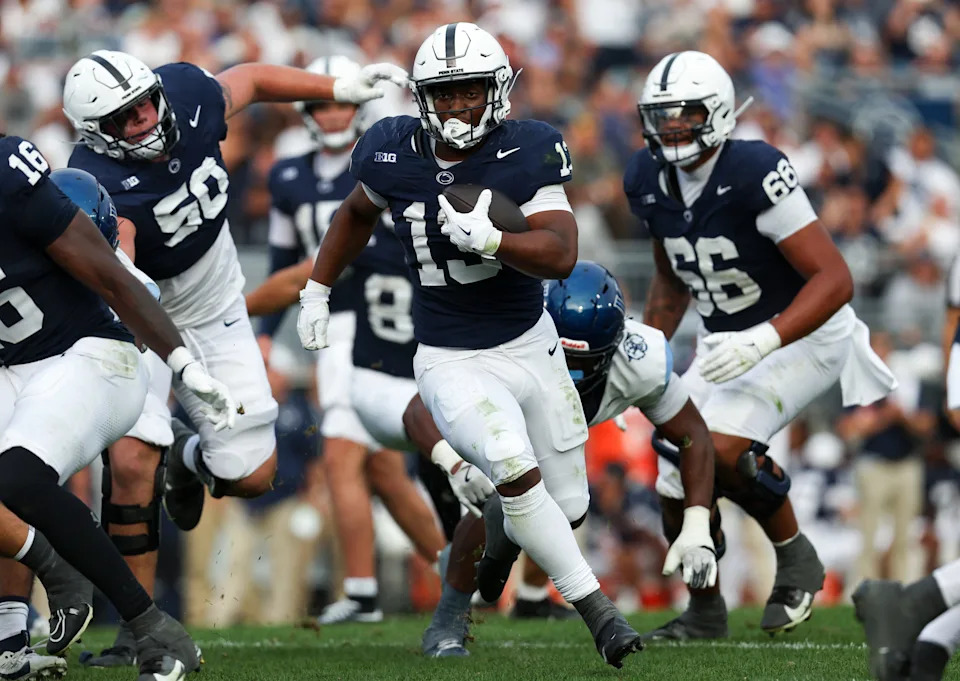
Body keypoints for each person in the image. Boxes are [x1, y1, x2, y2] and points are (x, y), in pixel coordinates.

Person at [298, 22, 647, 668]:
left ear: (498, 91)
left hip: (530, 345)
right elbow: (354, 213)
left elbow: (561, 251)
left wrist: (495, 242)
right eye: (447, 93)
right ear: (426, 97)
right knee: (512, 467)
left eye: (471, 91)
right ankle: (600, 613)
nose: (459, 105)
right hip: (450, 356)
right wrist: (317, 288)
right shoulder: (391, 150)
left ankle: (458, 602)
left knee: (557, 502)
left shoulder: (528, 148)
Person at [62, 49, 406, 662]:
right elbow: (124, 276)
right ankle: (138, 629)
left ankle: (189, 459)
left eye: (144, 103)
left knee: (253, 475)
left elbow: (249, 79)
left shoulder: (187, 93)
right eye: (123, 117)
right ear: (95, 133)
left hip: (219, 306)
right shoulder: (98, 181)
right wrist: (147, 325)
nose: (142, 119)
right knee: (134, 460)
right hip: (143, 315)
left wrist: (339, 84)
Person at [624, 50, 896, 638]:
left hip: (804, 331)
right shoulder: (645, 178)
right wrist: (643, 360)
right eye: (662, 116)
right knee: (672, 472)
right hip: (727, 337)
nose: (672, 127)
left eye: (685, 114)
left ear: (718, 113)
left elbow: (836, 279)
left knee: (720, 450)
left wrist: (764, 338)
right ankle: (704, 609)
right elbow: (672, 278)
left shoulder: (752, 169)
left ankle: (796, 557)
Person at [0, 132, 236, 681]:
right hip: (12, 368)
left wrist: (182, 363)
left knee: (16, 478)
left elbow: (111, 275)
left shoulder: (9, 174)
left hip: (91, 355)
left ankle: (152, 628)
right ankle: (32, 601)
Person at [418, 261, 719, 657]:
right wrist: (451, 463)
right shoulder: (510, 337)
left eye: (584, 362)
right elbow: (415, 409)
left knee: (568, 507)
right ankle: (448, 619)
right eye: (563, 358)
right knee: (500, 490)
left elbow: (693, 433)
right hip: (494, 419)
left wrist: (697, 522)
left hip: (554, 428)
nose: (571, 373)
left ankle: (512, 564)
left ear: (615, 343)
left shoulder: (640, 361)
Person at [248, 55, 452, 622]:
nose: (334, 113)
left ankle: (363, 591)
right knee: (380, 469)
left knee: (344, 454)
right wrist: (265, 334)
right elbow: (287, 261)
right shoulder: (288, 175)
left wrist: (243, 315)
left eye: (342, 102)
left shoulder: (381, 162)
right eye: (323, 104)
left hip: (375, 320)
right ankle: (457, 573)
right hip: (324, 317)